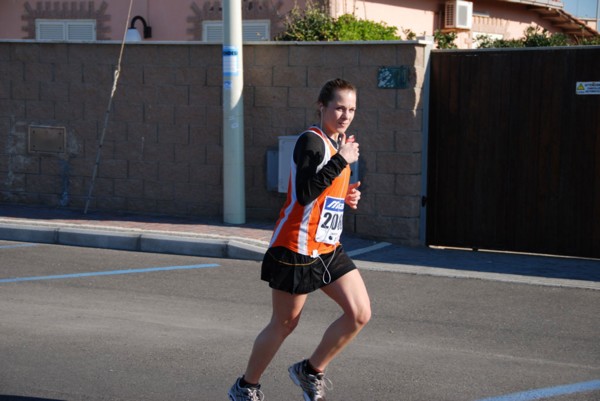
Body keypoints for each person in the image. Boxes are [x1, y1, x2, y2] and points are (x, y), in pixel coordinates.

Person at [228, 78, 371, 401]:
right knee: (284, 324)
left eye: (351, 109)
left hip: (327, 247)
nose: (346, 115)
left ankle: (310, 370)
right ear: (322, 106)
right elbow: (305, 193)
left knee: (359, 313)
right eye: (339, 107)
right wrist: (342, 161)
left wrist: (344, 196)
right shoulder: (312, 141)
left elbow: (322, 190)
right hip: (294, 246)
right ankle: (246, 386)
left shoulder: (340, 142)